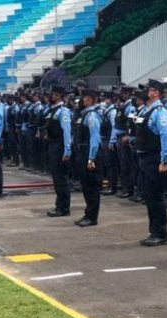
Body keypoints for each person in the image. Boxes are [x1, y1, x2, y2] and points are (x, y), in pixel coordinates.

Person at [136, 79, 167, 246]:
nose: (145, 93)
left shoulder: (160, 112)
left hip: (154, 158)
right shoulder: (145, 111)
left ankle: (160, 233)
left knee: (156, 196)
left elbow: (166, 136)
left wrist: (164, 159)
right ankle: (153, 231)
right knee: (148, 196)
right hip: (145, 157)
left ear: (156, 93)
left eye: (148, 90)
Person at [73, 89, 103, 227]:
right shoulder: (85, 114)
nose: (81, 101)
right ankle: (88, 213)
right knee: (86, 185)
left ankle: (92, 217)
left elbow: (94, 138)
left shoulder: (91, 116)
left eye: (84, 98)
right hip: (82, 152)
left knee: (92, 187)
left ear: (90, 100)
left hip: (89, 153)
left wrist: (91, 158)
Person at [44, 85, 73, 217]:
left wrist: (67, 151)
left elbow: (67, 132)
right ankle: (59, 205)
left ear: (60, 96)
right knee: (56, 178)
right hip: (53, 145)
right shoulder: (53, 110)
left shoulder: (63, 111)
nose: (51, 97)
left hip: (60, 146)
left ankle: (64, 207)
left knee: (61, 179)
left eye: (54, 95)